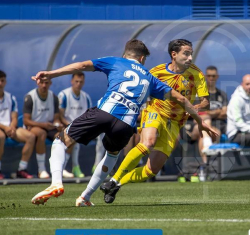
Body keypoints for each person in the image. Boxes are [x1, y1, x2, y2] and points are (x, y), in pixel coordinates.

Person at [30, 39, 216, 207]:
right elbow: (181, 100)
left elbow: (81, 65)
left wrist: (51, 74)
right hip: (127, 124)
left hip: (106, 112)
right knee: (113, 154)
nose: (190, 57)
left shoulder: (115, 61)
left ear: (125, 54)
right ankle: (86, 196)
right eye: (187, 53)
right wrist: (200, 121)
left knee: (61, 140)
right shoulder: (150, 75)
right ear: (142, 59)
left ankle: (57, 183)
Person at [100, 39, 219, 204]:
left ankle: (118, 183)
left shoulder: (196, 74)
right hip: (155, 111)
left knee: (151, 170)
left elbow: (206, 101)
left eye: (191, 53)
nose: (190, 57)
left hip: (176, 122)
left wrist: (194, 107)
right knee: (148, 142)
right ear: (174, 54)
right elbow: (139, 90)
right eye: (186, 53)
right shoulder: (156, 72)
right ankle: (114, 178)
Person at [23, 75, 69, 179]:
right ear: (37, 83)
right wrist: (43, 125)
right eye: (42, 82)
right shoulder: (30, 97)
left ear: (50, 83)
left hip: (49, 127)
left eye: (47, 83)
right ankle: (41, 169)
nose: (44, 85)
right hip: (33, 126)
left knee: (61, 136)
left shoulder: (53, 97)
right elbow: (26, 121)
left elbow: (56, 118)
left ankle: (60, 168)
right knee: (41, 133)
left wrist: (58, 125)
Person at [0, 70, 36, 179]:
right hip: (2, 129)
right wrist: (5, 128)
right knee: (0, 137)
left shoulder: (11, 98)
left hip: (10, 128)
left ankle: (21, 169)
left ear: (5, 82)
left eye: (2, 80)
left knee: (31, 136)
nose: (0, 83)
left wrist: (12, 127)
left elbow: (14, 117)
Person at [58, 72, 92, 178]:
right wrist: (71, 125)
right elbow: (60, 116)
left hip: (82, 128)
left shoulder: (86, 97)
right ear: (71, 81)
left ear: (84, 82)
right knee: (74, 135)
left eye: (81, 82)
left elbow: (90, 116)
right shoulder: (63, 95)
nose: (78, 84)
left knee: (103, 135)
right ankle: (73, 167)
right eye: (76, 81)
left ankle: (97, 166)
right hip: (67, 127)